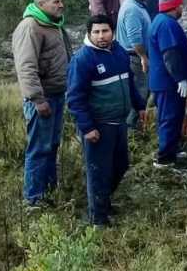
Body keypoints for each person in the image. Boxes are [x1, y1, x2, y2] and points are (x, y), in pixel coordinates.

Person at [67, 15, 145, 227]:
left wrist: (140, 106)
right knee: (98, 172)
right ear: (89, 34)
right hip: (98, 125)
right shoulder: (83, 59)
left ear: (112, 32)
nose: (101, 36)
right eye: (96, 32)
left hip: (119, 121)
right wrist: (87, 127)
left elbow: (129, 82)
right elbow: (75, 98)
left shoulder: (119, 52)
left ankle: (103, 201)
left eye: (105, 31)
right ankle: (97, 218)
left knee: (121, 165)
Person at [12, 0, 72, 208]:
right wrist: (37, 99)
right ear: (41, 5)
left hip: (57, 94)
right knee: (39, 148)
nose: (61, 5)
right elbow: (26, 67)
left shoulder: (54, 24)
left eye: (61, 0)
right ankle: (34, 199)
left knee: (52, 145)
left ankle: (49, 191)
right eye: (55, 2)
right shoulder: (30, 27)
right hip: (42, 99)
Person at [148, 0, 187, 167]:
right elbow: (170, 54)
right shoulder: (166, 24)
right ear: (175, 7)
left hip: (165, 81)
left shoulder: (162, 21)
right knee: (169, 117)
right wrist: (180, 78)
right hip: (168, 82)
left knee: (175, 116)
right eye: (181, 6)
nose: (182, 9)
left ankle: (172, 149)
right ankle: (164, 158)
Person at [116, 0, 151, 130]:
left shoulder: (136, 5)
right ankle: (130, 130)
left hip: (136, 57)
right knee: (139, 92)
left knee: (142, 91)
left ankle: (135, 127)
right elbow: (135, 38)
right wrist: (143, 57)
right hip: (134, 58)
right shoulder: (131, 9)